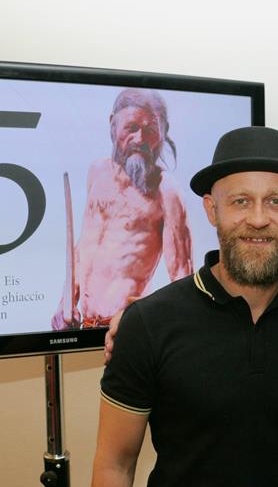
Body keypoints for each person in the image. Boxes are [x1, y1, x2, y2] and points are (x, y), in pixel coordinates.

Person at [91, 126, 278, 487]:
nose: (258, 219)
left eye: (276, 202)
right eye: (240, 201)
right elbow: (115, 464)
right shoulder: (149, 323)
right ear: (211, 209)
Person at [52, 88, 193, 330]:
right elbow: (85, 248)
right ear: (113, 124)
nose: (140, 139)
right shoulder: (97, 172)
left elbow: (182, 278)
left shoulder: (166, 190)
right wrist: (65, 303)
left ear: (164, 131)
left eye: (150, 130)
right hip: (87, 327)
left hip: (130, 331)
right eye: (131, 128)